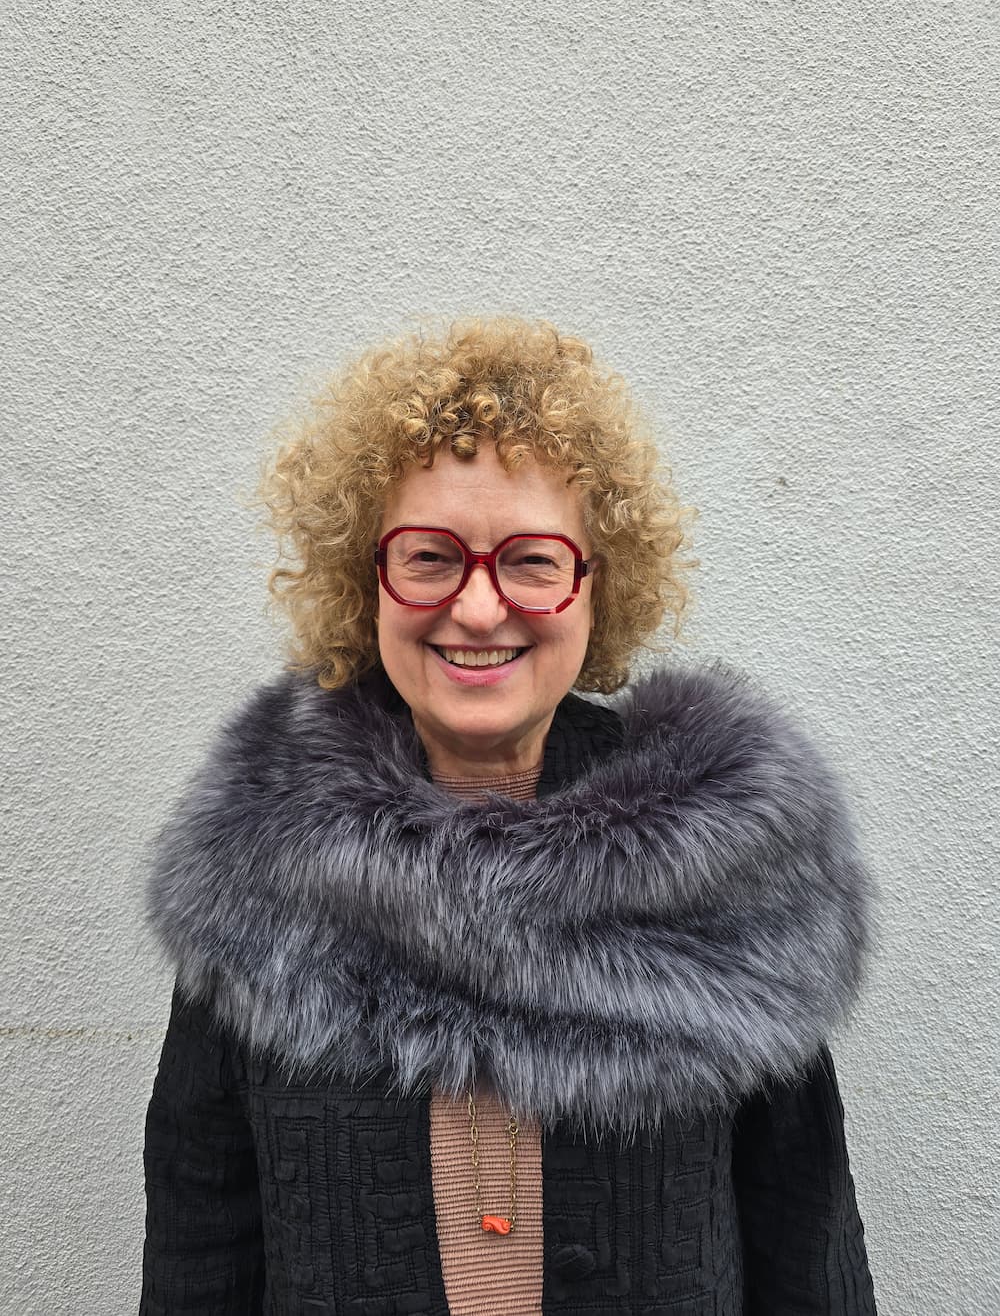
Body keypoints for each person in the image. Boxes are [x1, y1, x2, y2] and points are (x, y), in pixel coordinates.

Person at [141, 317, 877, 1315]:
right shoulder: (259, 860)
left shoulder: (729, 862)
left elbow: (804, 1231)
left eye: (530, 559)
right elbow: (202, 1234)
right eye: (429, 556)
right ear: (368, 580)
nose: (480, 609)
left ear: (593, 585)